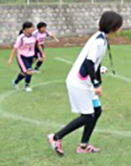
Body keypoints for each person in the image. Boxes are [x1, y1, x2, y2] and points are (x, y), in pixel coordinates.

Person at [48, 11, 123, 156]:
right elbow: (89, 63)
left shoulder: (101, 37)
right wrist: (96, 85)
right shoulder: (99, 41)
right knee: (88, 116)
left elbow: (96, 63)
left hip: (86, 82)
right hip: (79, 82)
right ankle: (56, 137)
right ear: (114, 27)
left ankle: (83, 145)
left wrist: (97, 82)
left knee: (97, 111)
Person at [8, 22, 40, 92]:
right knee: (29, 71)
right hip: (22, 57)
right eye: (31, 27)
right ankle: (27, 86)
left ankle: (15, 82)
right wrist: (10, 58)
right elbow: (15, 48)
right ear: (26, 29)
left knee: (24, 72)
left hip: (30, 57)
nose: (33, 29)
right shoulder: (21, 38)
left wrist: (36, 56)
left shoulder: (34, 36)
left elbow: (35, 46)